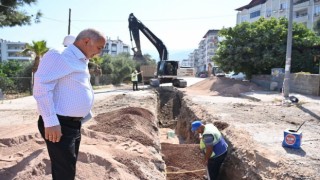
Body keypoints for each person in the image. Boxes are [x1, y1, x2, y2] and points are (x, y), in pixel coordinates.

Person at [33, 28, 106, 180]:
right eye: (99, 48)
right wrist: (51, 121)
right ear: (86, 41)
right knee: (64, 173)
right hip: (59, 124)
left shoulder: (80, 58)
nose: (99, 52)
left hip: (72, 124)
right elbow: (41, 87)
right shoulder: (60, 55)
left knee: (68, 168)